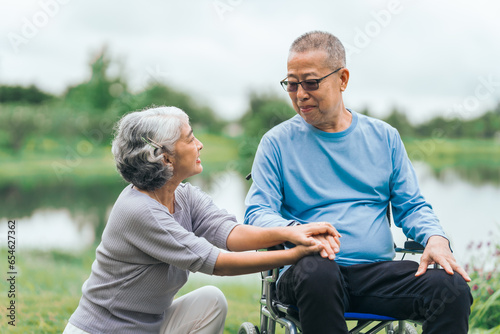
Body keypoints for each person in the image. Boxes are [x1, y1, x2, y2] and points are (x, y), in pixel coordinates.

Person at [244, 31, 473, 334]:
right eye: (292, 83)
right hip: (309, 271)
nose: (300, 94)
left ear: (342, 79)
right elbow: (257, 212)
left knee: (451, 286)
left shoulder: (384, 137)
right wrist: (298, 232)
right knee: (319, 272)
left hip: (375, 273)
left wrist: (435, 238)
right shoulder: (275, 143)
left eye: (311, 82)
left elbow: (412, 206)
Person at [63, 106, 340, 334]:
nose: (199, 144)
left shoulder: (182, 194)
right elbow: (218, 264)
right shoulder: (140, 211)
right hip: (103, 330)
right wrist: (294, 256)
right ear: (166, 158)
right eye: (190, 138)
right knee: (213, 289)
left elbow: (229, 234)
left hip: (149, 326)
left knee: (211, 301)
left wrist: (292, 233)